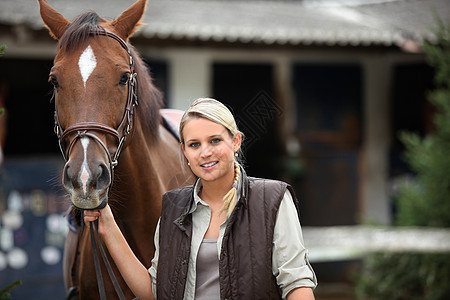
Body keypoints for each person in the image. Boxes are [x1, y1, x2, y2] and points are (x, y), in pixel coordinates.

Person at [85, 98, 317, 300]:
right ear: (185, 152)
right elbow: (154, 292)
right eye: (195, 144)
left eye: (215, 140)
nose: (205, 152)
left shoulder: (272, 200)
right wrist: (107, 225)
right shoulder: (173, 207)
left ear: (235, 142)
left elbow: (297, 283)